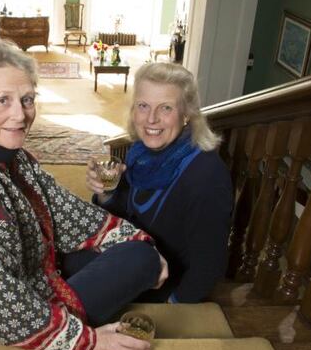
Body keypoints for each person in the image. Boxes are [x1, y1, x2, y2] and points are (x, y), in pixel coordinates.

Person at [0, 41, 168, 350]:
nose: (20, 115)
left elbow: (64, 210)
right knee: (138, 261)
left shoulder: (9, 155)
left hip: (30, 275)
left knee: (132, 251)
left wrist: (136, 239)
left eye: (27, 100)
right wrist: (87, 344)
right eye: (2, 101)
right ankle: (64, 329)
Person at [85, 62, 233, 304]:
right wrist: (106, 194)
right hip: (132, 258)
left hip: (164, 286)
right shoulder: (140, 152)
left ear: (186, 114)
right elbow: (131, 217)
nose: (151, 119)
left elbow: (209, 266)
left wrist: (171, 307)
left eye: (166, 108)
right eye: (143, 106)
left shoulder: (206, 177)